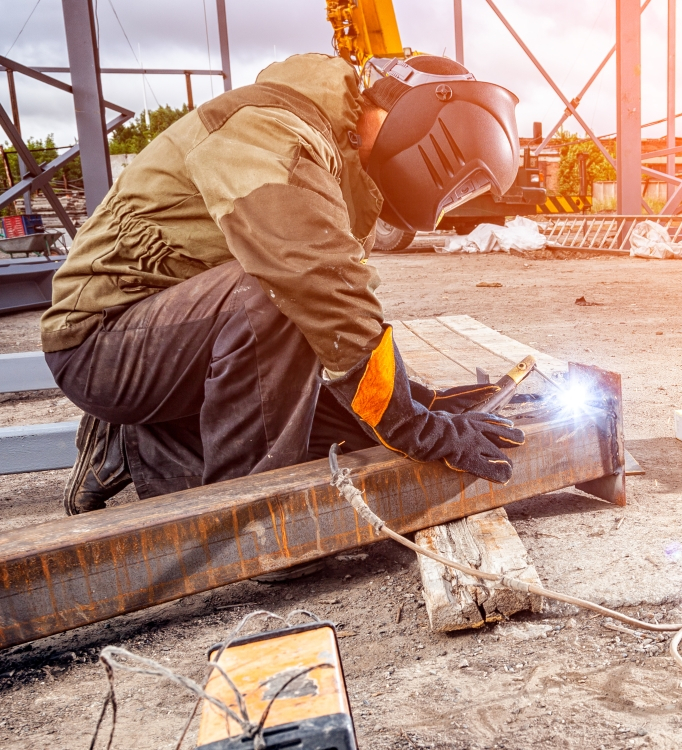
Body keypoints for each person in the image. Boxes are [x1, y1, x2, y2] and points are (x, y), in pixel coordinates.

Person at [42, 53, 527, 515]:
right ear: (423, 118)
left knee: (357, 431)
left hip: (175, 348)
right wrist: (411, 423)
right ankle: (253, 516)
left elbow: (333, 329)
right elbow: (315, 285)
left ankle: (138, 443)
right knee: (283, 296)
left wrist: (418, 401)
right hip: (102, 345)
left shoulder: (336, 158)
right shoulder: (274, 129)